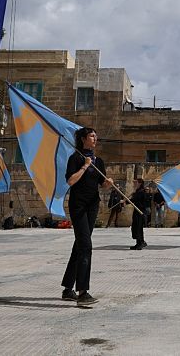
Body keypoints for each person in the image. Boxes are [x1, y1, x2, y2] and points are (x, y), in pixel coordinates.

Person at [61, 127, 111, 308]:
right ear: (83, 139)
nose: (95, 138)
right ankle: (83, 292)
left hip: (93, 205)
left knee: (80, 245)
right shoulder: (76, 158)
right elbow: (71, 181)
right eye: (91, 136)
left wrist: (108, 183)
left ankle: (68, 289)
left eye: (96, 136)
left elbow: (102, 184)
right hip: (78, 206)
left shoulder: (99, 161)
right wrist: (85, 166)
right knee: (86, 246)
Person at [129, 178, 148, 249]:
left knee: (138, 227)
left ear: (140, 183)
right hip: (137, 211)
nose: (134, 184)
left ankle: (140, 243)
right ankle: (140, 242)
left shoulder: (142, 192)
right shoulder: (138, 191)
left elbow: (134, 200)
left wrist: (125, 202)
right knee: (136, 227)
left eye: (136, 182)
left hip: (140, 212)